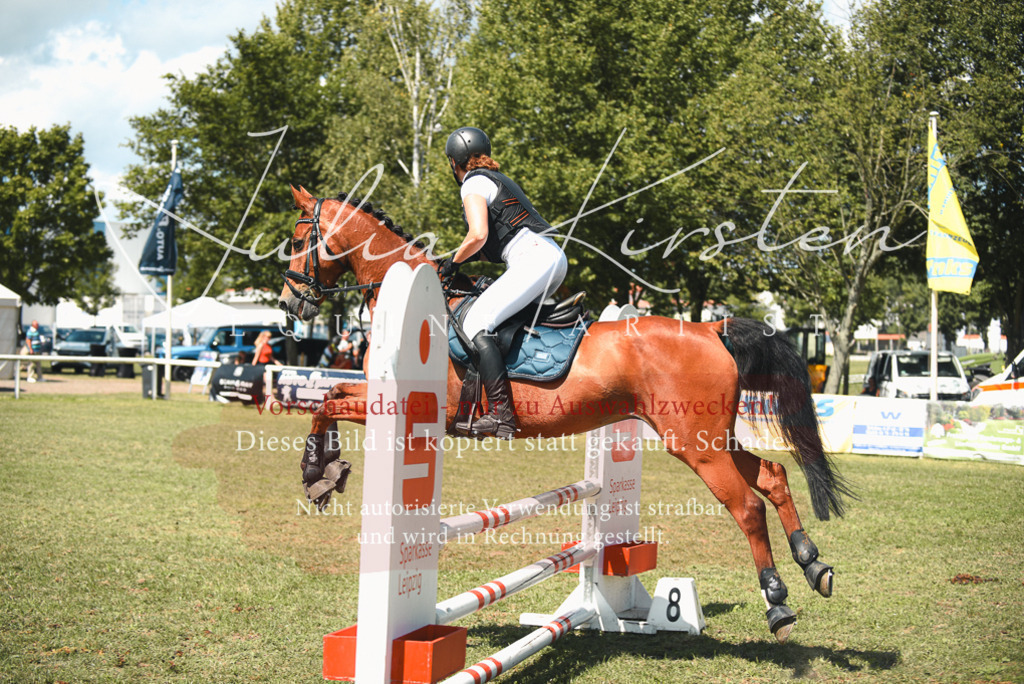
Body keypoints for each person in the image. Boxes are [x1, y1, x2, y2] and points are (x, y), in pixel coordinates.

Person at [438, 127, 568, 439]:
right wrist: (461, 259)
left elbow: (478, 234)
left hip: (534, 259)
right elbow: (490, 244)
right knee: (498, 320)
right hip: (547, 257)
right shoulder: (494, 180)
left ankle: (500, 414)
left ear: (454, 162)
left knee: (475, 322)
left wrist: (452, 262)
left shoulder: (473, 182)